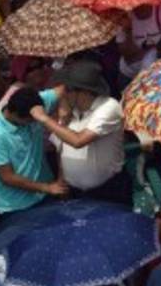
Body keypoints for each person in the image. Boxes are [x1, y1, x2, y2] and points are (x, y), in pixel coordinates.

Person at [31, 62, 127, 205]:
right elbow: (61, 148)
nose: (62, 94)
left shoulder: (108, 107)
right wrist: (61, 182)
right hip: (75, 193)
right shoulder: (71, 111)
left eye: (66, 90)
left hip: (107, 191)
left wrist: (44, 118)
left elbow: (78, 141)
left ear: (83, 92)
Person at [0, 86, 65, 218]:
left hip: (44, 195)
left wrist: (64, 110)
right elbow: (7, 177)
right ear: (14, 113)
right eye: (31, 120)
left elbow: (65, 88)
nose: (36, 121)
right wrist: (46, 188)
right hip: (15, 205)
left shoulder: (35, 105)